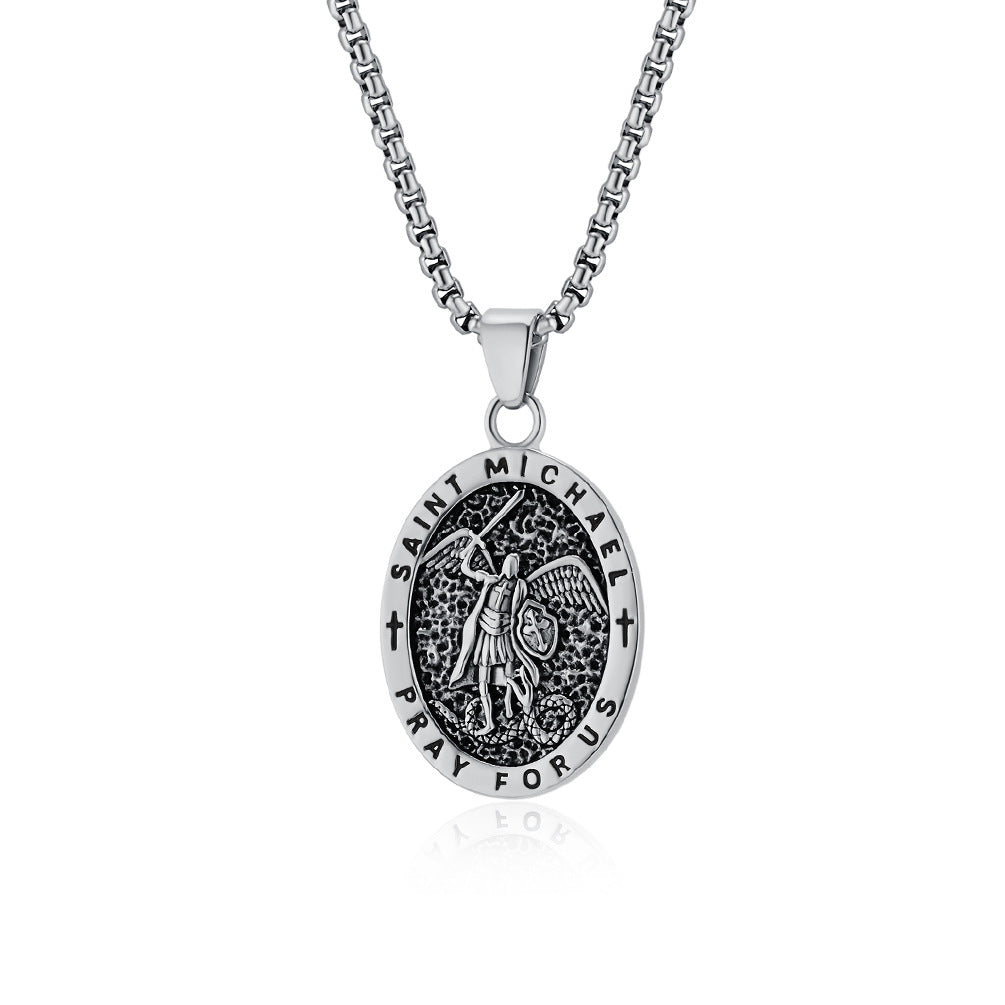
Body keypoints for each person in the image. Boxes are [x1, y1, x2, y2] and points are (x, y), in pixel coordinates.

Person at [448, 543, 539, 736]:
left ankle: (511, 702)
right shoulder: (491, 579)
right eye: (508, 563)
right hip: (485, 632)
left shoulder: (520, 585)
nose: (510, 567)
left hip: (504, 632)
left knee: (509, 671)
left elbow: (518, 610)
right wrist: (472, 546)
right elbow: (465, 569)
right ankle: (489, 722)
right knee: (483, 676)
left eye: (513, 564)